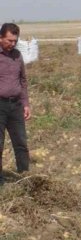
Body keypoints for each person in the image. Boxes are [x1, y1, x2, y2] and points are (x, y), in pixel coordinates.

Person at [0, 23, 30, 174]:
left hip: (16, 106)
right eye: (9, 40)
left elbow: (23, 80)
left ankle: (24, 176)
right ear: (0, 38)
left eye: (15, 41)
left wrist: (25, 104)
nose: (13, 44)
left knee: (21, 143)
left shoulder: (17, 56)